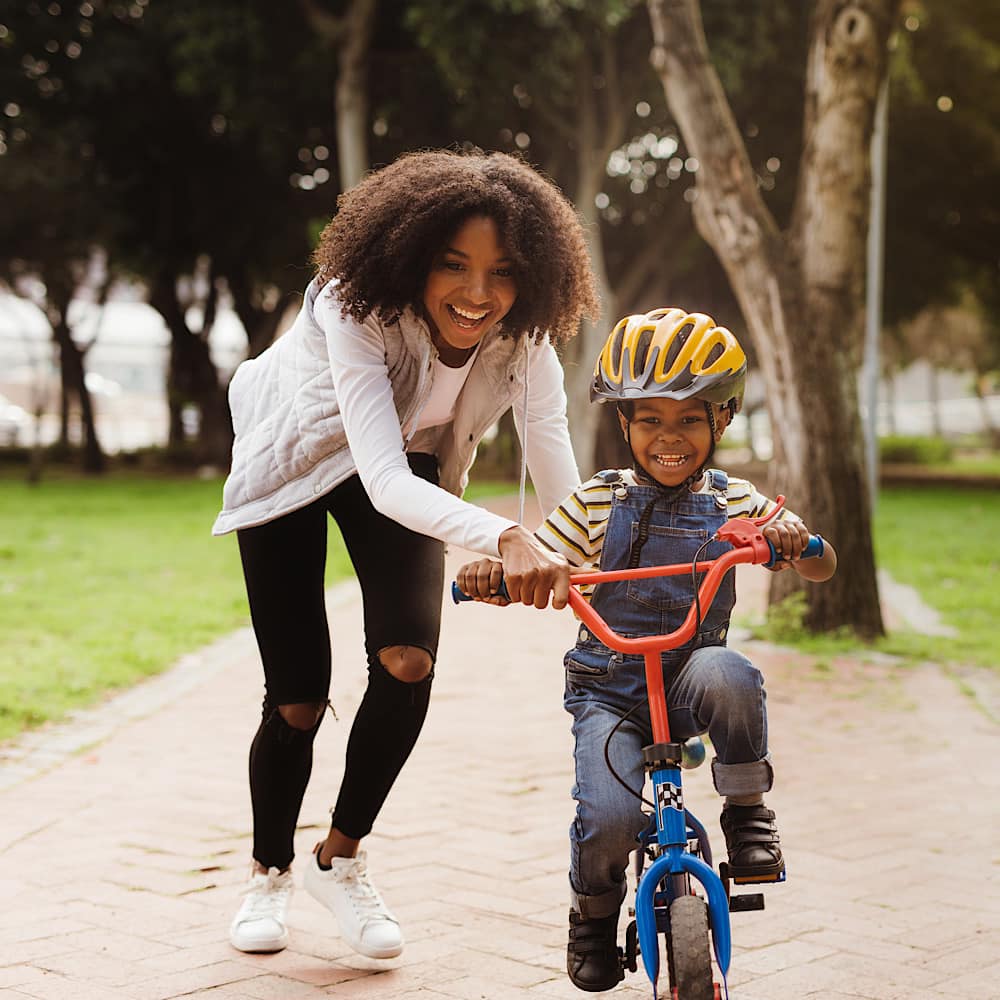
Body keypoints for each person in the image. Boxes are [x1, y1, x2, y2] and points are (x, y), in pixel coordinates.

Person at [213, 149, 599, 958]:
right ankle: (268, 871)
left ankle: (339, 859)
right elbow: (382, 479)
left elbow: (554, 455)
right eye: (453, 266)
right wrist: (504, 533)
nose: (478, 294)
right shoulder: (354, 310)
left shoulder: (526, 342)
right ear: (411, 258)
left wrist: (586, 551)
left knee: (408, 658)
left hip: (404, 462)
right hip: (293, 462)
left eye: (502, 273)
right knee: (296, 699)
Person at [456, 306, 837, 992]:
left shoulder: (734, 503)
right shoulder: (599, 502)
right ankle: (593, 917)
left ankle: (747, 812)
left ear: (720, 422)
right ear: (624, 424)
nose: (670, 437)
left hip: (689, 679)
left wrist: (792, 542)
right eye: (650, 419)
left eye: (689, 419)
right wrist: (502, 572)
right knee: (605, 820)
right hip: (610, 691)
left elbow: (822, 564)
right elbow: (542, 556)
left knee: (732, 671)